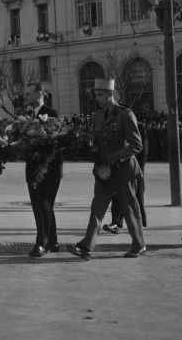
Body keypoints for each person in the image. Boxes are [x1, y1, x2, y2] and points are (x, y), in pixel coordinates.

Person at [66, 78, 145, 260]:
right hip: (104, 170)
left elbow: (137, 145)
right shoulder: (97, 116)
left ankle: (139, 244)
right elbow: (96, 141)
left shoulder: (125, 114)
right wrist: (92, 149)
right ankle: (87, 246)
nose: (97, 98)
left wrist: (116, 156)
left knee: (129, 207)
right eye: (96, 95)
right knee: (97, 207)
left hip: (124, 170)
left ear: (110, 94)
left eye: (101, 95)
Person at [23, 82, 63, 258]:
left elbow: (54, 143)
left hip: (49, 168)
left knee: (43, 205)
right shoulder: (26, 115)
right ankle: (52, 241)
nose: (26, 97)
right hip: (32, 168)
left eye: (29, 94)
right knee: (42, 205)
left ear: (40, 94)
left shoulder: (51, 114)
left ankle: (41, 242)